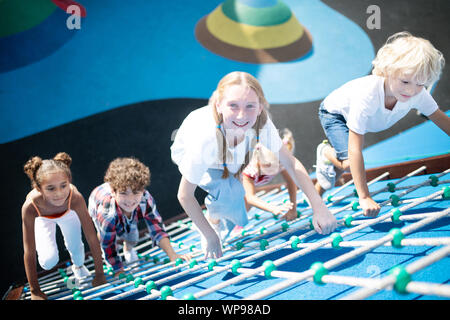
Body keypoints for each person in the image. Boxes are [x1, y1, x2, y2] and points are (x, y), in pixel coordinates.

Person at [171, 71, 337, 260]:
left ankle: (218, 213)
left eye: (250, 106)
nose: (242, 115)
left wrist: (319, 207)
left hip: (231, 154)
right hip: (196, 154)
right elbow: (184, 195)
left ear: (259, 108)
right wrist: (209, 235)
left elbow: (289, 162)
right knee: (227, 192)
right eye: (233, 105)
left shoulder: (261, 123)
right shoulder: (205, 140)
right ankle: (213, 220)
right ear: (218, 105)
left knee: (236, 207)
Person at [314, 31, 449, 217]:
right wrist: (364, 197)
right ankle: (326, 152)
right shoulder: (368, 96)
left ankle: (326, 170)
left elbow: (443, 121)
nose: (411, 90)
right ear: (388, 71)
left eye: (421, 84)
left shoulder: (418, 94)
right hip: (335, 114)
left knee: (332, 176)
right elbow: (355, 150)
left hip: (362, 118)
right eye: (405, 81)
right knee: (347, 163)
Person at [22, 152, 107, 300]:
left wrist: (99, 274)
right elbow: (28, 250)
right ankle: (62, 264)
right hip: (43, 218)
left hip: (68, 212)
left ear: (69, 181)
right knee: (48, 261)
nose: (59, 194)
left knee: (77, 251)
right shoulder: (30, 206)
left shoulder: (74, 198)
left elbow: (91, 237)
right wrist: (35, 290)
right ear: (38, 188)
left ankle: (78, 267)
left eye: (63, 186)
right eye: (51, 188)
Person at [88, 157, 189, 276]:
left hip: (125, 212)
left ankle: (128, 248)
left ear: (143, 190)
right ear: (114, 192)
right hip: (96, 203)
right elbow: (108, 244)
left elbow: (157, 228)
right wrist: (118, 269)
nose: (130, 200)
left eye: (136, 192)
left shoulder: (145, 199)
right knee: (106, 235)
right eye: (123, 193)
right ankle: (114, 255)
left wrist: (172, 254)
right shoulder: (106, 214)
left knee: (132, 237)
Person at [242, 129, 298, 222]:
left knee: (244, 207)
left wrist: (293, 209)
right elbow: (250, 198)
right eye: (268, 165)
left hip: (244, 190)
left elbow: (291, 183)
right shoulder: (250, 171)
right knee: (238, 207)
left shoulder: (279, 165)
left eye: (276, 165)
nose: (273, 170)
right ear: (259, 160)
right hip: (230, 187)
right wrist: (273, 208)